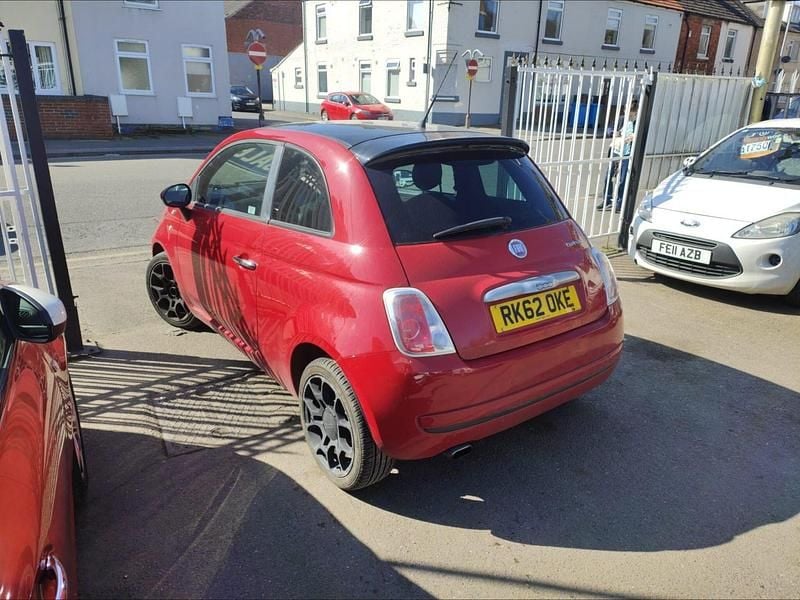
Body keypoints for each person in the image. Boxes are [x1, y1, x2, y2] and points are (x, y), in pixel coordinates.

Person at [597, 101, 637, 212]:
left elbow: (640, 134)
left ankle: (619, 203)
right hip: (616, 150)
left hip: (627, 153)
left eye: (631, 112)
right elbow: (610, 128)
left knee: (623, 179)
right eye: (626, 111)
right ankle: (607, 200)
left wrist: (634, 136)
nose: (628, 114)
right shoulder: (621, 119)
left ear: (635, 112)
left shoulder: (637, 123)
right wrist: (613, 132)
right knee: (608, 176)